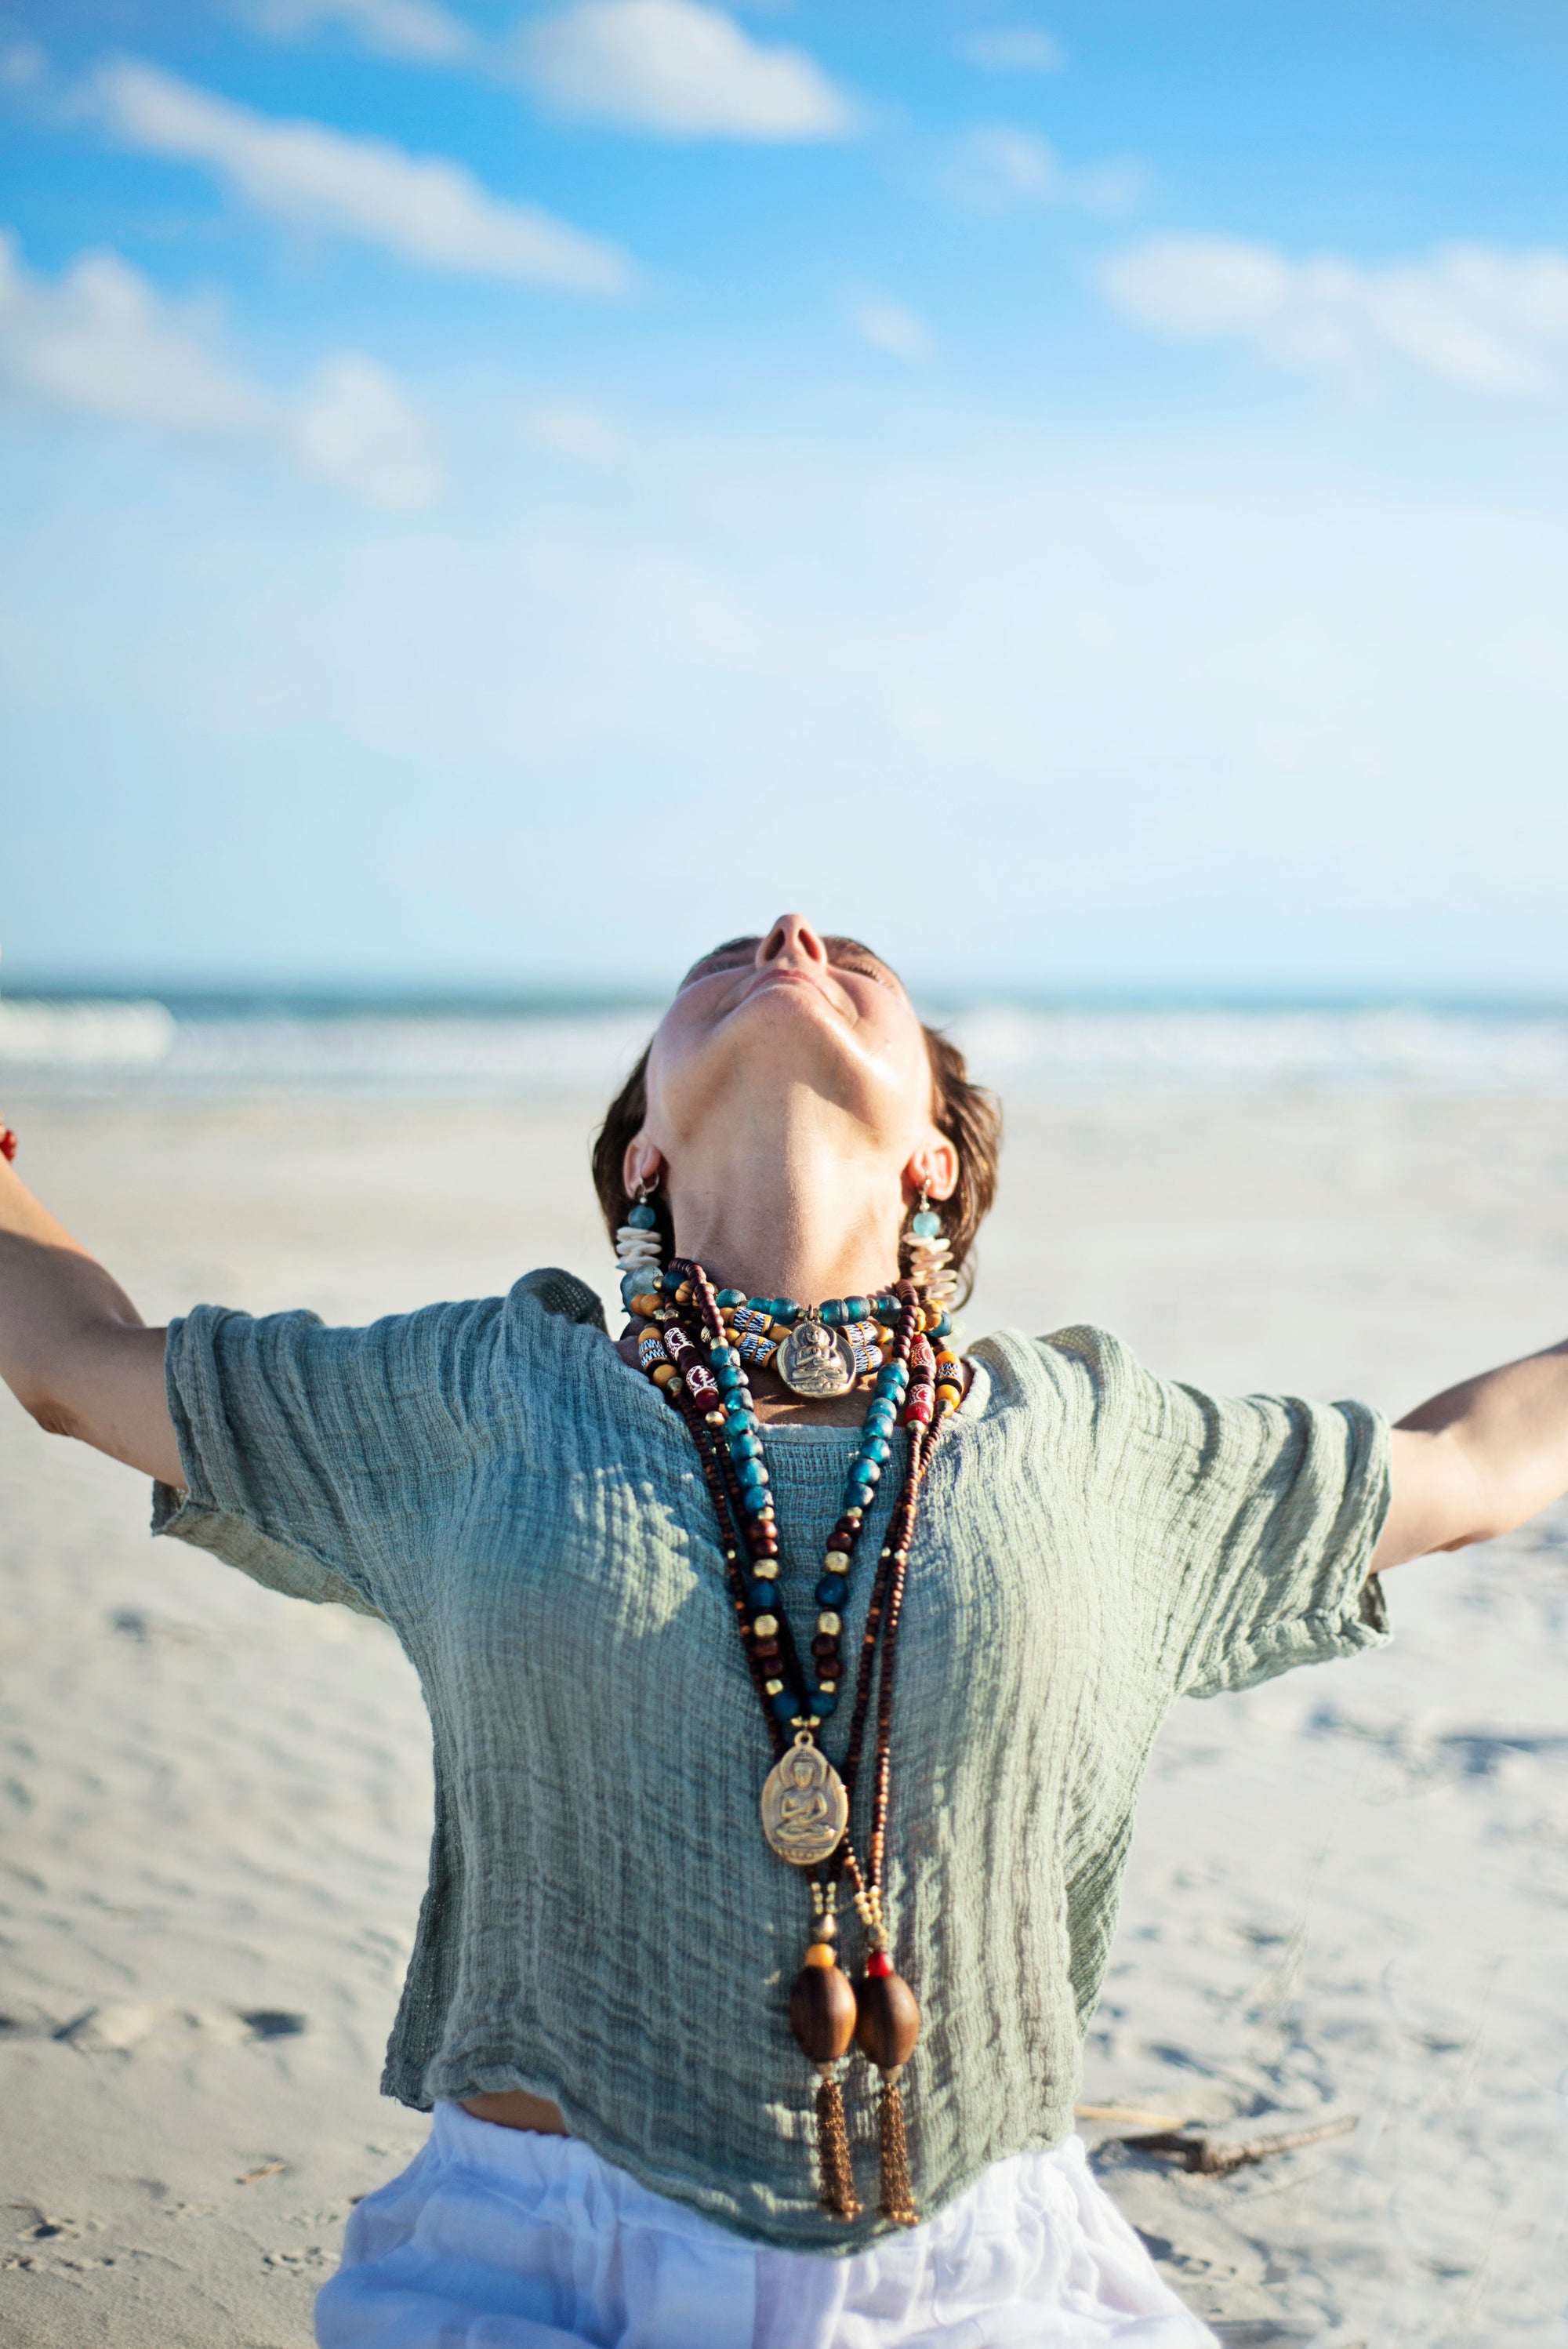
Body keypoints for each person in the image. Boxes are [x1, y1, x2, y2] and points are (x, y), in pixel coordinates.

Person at [2, 913, 1565, 2349]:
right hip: (525, 2258)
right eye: (721, 963)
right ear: (642, 1160)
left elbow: (1472, 1468)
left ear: (934, 1160)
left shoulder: (1096, 1439)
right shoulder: (477, 1397)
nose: (794, 936)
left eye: (855, 958)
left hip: (977, 2263)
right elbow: (77, 1365)